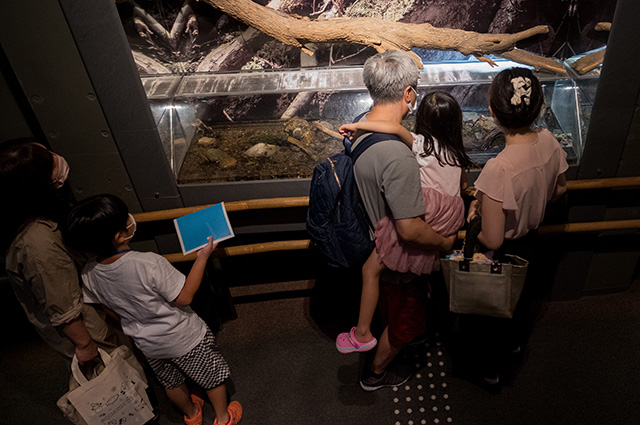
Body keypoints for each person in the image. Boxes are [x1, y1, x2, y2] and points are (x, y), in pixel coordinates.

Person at [336, 50, 457, 392]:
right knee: (407, 318)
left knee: (388, 302)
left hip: (372, 237)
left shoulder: (365, 127)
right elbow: (409, 229)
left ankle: (371, 334)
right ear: (408, 94)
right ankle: (375, 373)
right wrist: (447, 241)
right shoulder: (399, 157)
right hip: (400, 260)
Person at [64, 194, 242, 425]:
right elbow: (184, 297)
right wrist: (202, 258)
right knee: (212, 377)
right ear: (119, 236)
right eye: (125, 218)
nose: (130, 219)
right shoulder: (148, 263)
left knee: (171, 382)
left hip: (148, 344)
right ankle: (223, 417)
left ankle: (191, 415)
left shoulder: (89, 272)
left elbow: (105, 307)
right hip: (185, 337)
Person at [464, 67, 568, 388]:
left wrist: (475, 222)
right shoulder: (550, 141)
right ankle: (515, 345)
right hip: (531, 242)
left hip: (502, 251)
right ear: (538, 107)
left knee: (491, 310)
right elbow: (560, 189)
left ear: (493, 112)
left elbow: (493, 237)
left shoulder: (499, 168)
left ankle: (490, 370)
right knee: (520, 300)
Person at [1, 139, 122, 365]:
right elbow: (62, 304)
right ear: (37, 184)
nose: (57, 159)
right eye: (49, 161)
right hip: (88, 330)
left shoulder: (37, 217)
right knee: (118, 383)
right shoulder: (37, 243)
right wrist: (85, 345)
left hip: (95, 315)